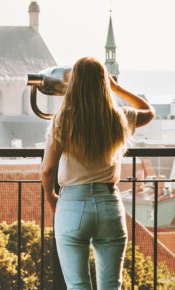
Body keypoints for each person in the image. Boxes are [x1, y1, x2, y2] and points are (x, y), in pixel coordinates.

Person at [41, 57, 154, 290]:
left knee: (78, 285)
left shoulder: (63, 120)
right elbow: (148, 111)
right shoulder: (119, 117)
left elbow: (48, 168)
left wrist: (50, 195)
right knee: (112, 286)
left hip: (73, 203)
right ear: (104, 83)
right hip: (109, 202)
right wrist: (118, 88)